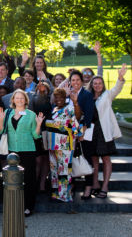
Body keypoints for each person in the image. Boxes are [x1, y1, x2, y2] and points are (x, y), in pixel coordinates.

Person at [0, 89, 44, 217]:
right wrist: (1, 120)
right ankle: (15, 205)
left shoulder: (31, 114)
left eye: (22, 98)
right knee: (13, 180)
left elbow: (35, 135)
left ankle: (28, 206)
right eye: (17, 98)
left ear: (25, 100)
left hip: (28, 150)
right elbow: (1, 132)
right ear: (13, 100)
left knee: (28, 179)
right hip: (12, 151)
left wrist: (39, 124)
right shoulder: (7, 113)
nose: (19, 100)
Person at [87, 64, 127, 199]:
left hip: (104, 132)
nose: (97, 85)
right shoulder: (88, 97)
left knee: (105, 159)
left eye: (100, 83)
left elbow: (117, 88)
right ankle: (95, 184)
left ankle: (105, 186)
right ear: (91, 85)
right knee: (93, 160)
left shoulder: (107, 95)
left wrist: (120, 78)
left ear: (103, 85)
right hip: (91, 132)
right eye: (95, 83)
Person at [64, 70, 95, 199]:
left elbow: (89, 114)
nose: (75, 83)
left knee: (86, 158)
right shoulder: (66, 95)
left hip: (83, 132)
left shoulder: (86, 95)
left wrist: (82, 131)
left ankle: (88, 187)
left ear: (81, 81)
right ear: (69, 82)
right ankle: (73, 186)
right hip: (68, 132)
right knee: (71, 160)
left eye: (77, 80)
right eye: (73, 80)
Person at [46, 88, 80, 202]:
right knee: (54, 169)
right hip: (53, 144)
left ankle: (65, 195)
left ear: (65, 97)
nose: (58, 99)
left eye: (61, 97)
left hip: (65, 144)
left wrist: (75, 134)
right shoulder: (54, 109)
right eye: (56, 97)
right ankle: (56, 193)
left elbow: (75, 124)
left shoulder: (69, 108)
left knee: (64, 170)